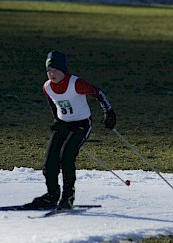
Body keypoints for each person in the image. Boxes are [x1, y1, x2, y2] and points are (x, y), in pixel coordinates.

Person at [25, 50, 116, 210]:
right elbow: (54, 104)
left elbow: (98, 93)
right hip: (63, 124)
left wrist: (108, 112)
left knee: (66, 157)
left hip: (81, 125)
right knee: (50, 161)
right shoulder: (47, 87)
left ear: (63, 70)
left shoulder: (76, 84)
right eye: (49, 71)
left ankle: (68, 197)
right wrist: (57, 120)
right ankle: (52, 196)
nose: (51, 74)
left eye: (55, 70)